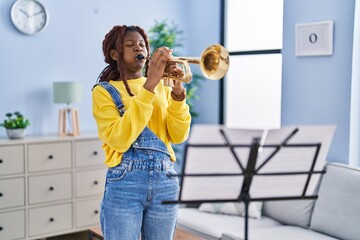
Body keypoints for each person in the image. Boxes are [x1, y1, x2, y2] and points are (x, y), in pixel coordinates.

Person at [92, 25, 191, 240]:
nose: (139, 48)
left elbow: (178, 135)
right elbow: (119, 139)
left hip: (165, 180)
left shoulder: (163, 87)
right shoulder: (103, 91)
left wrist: (177, 93)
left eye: (142, 44)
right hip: (125, 182)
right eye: (130, 45)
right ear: (115, 54)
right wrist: (150, 85)